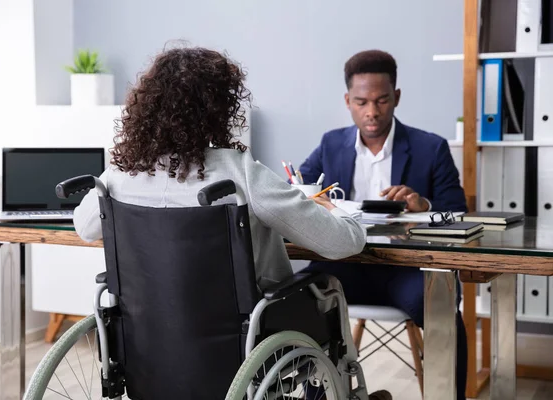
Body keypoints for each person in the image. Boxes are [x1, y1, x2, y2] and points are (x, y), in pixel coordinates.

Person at [73, 46, 391, 400]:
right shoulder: (237, 173)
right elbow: (341, 243)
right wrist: (340, 214)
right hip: (243, 344)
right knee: (327, 284)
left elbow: (84, 226)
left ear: (148, 108)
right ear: (218, 109)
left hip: (146, 345)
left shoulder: (120, 174)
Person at [298, 49, 469, 399]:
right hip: (344, 267)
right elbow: (298, 190)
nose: (372, 112)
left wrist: (424, 205)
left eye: (381, 101)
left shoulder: (430, 147)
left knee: (441, 307)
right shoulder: (331, 144)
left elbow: (459, 212)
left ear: (397, 97)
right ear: (348, 100)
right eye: (361, 102)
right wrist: (313, 198)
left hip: (407, 271)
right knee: (298, 296)